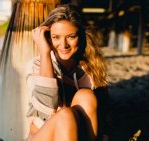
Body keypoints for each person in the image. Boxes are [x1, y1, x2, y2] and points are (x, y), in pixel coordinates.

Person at [25, 4, 108, 141]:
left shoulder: (91, 67)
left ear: (80, 37)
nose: (63, 45)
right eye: (56, 37)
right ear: (47, 38)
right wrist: (45, 53)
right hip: (45, 135)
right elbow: (47, 108)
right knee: (66, 115)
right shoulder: (36, 65)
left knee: (86, 95)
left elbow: (103, 111)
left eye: (70, 36)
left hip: (80, 135)